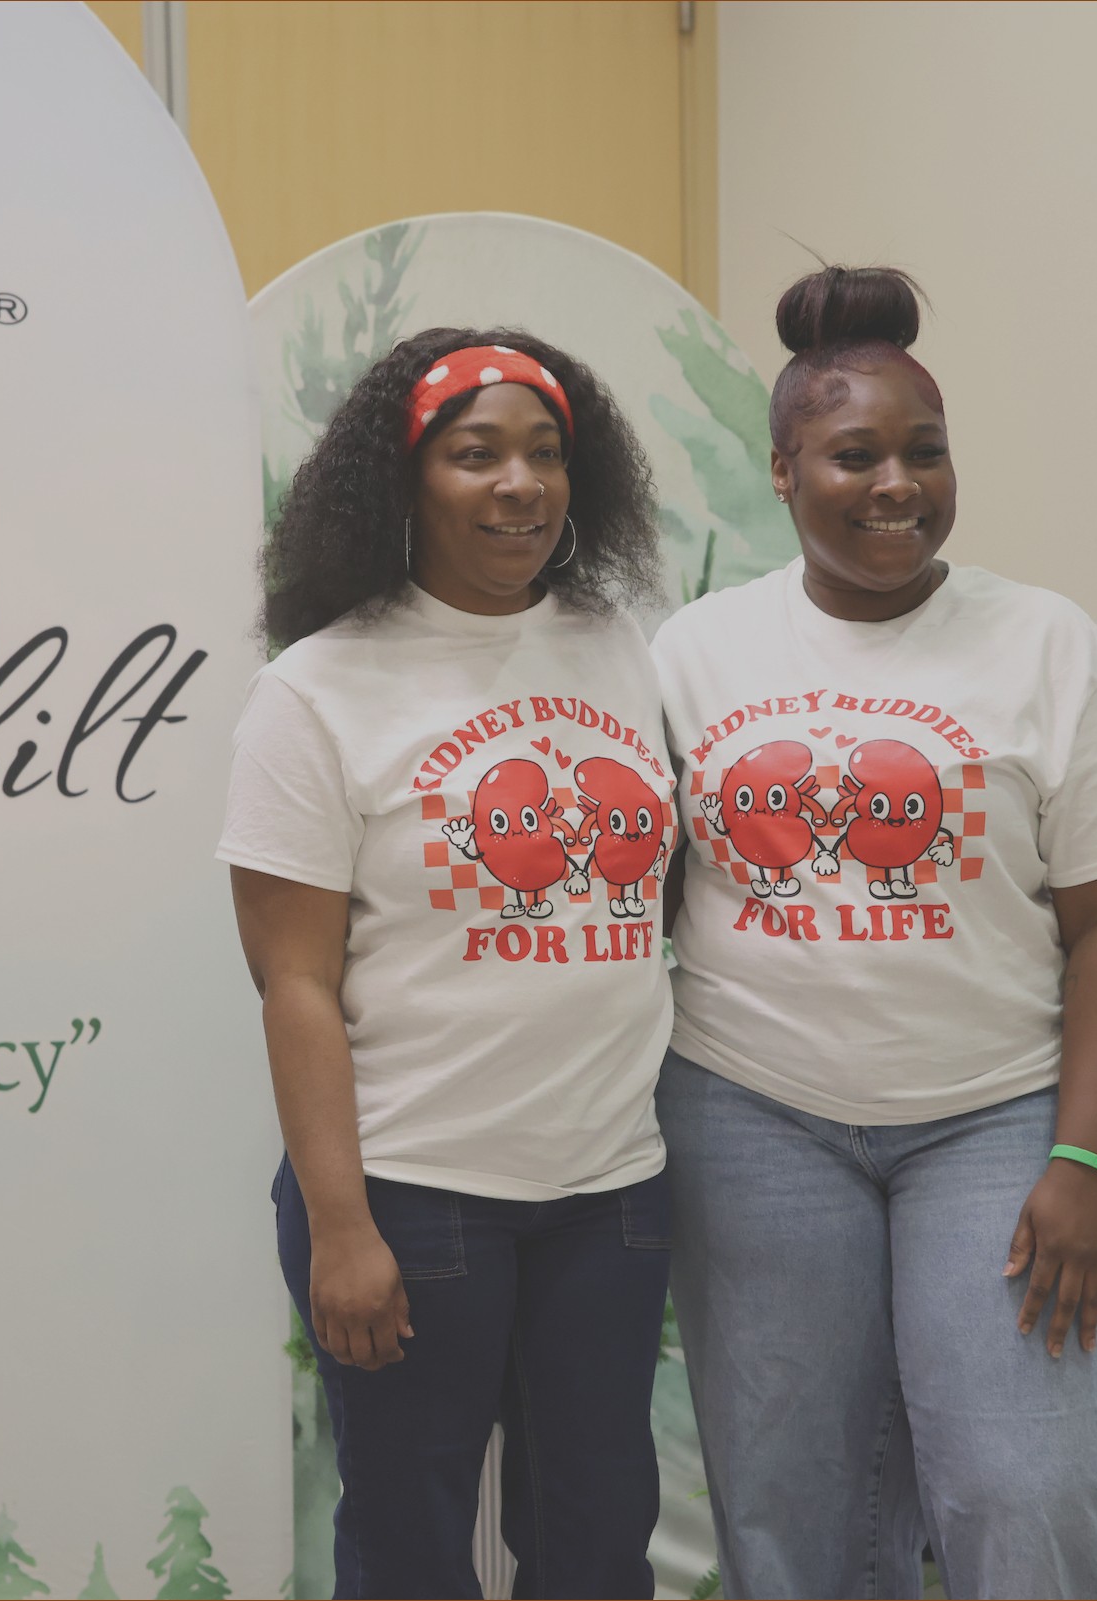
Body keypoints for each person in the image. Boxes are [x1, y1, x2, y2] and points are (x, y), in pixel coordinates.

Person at [653, 267, 1097, 1599]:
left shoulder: (1050, 645)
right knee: (793, 1508)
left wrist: (1086, 1154)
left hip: (997, 1122)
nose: (897, 483)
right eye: (855, 455)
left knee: (1029, 1483)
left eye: (926, 451)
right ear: (783, 470)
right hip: (752, 1116)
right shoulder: (694, 653)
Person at [220, 329, 676, 1598]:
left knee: (597, 1544)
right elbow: (294, 982)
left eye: (545, 452)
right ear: (404, 481)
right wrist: (340, 1223)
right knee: (411, 1553)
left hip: (609, 1189)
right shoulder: (317, 689)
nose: (519, 483)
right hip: (415, 1193)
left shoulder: (614, 644)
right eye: (475, 454)